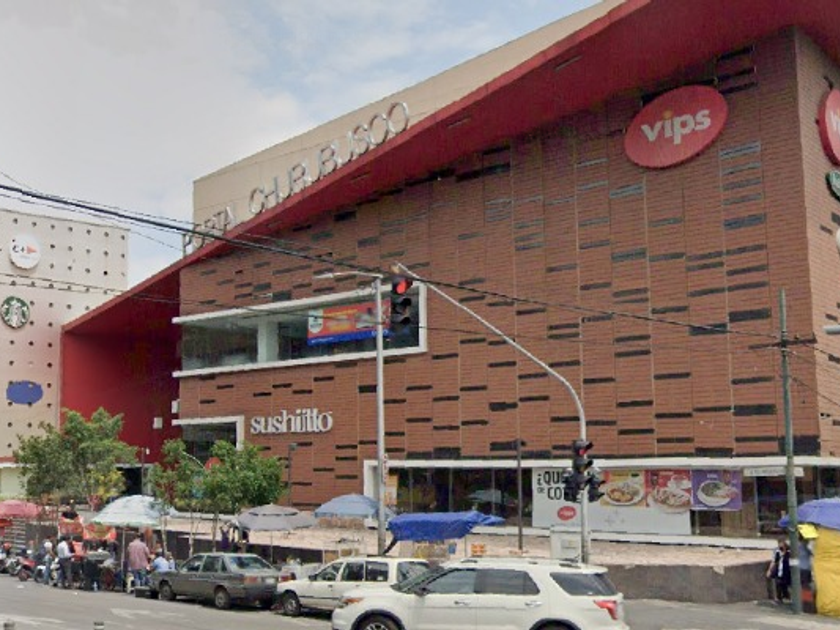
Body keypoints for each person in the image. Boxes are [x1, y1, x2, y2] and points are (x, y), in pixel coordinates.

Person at [767, 538, 792, 603]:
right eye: (779, 543)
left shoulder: (789, 551)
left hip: (786, 571)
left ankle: (786, 597)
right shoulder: (777, 551)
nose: (779, 545)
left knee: (785, 584)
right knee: (778, 583)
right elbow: (774, 561)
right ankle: (779, 598)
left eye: (781, 543)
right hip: (779, 570)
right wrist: (770, 570)